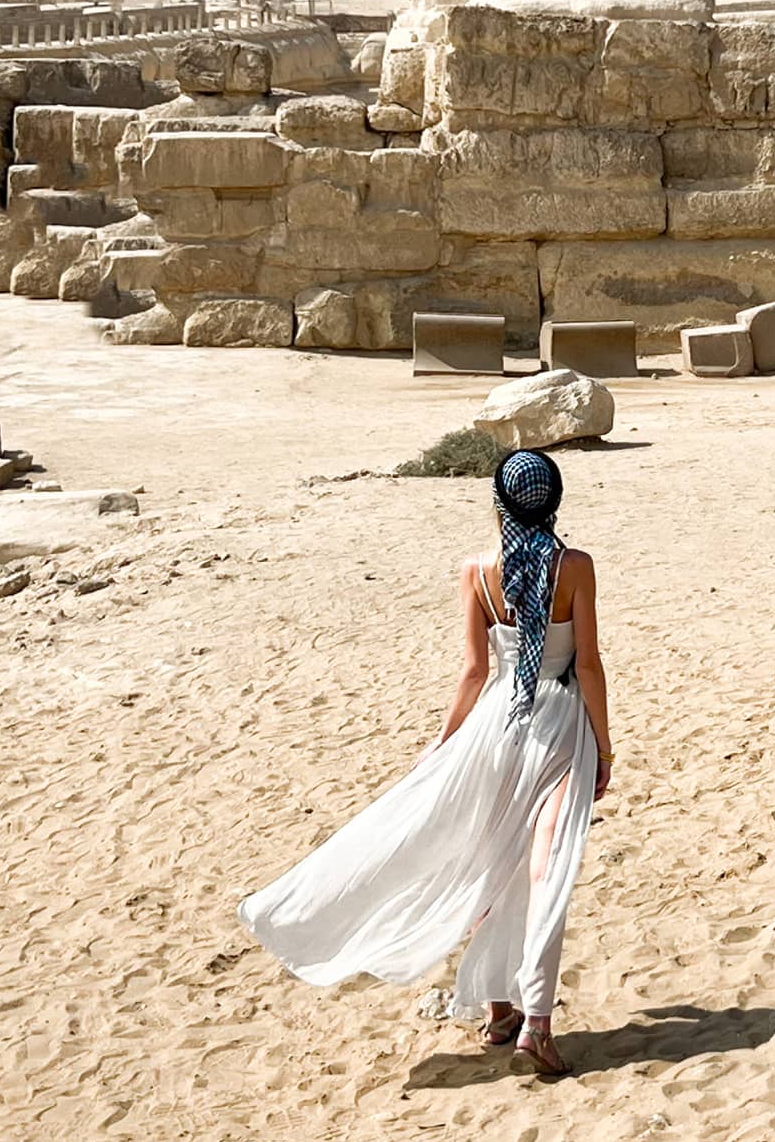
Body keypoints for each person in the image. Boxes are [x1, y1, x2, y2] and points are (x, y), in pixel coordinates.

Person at [237, 449, 613, 1077]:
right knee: (548, 869)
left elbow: (473, 670)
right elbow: (591, 664)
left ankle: (500, 1011)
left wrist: (446, 744)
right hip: (557, 723)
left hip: (497, 725)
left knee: (493, 860)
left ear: (498, 505)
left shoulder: (477, 571)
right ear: (554, 503)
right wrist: (603, 747)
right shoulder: (574, 567)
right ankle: (537, 1021)